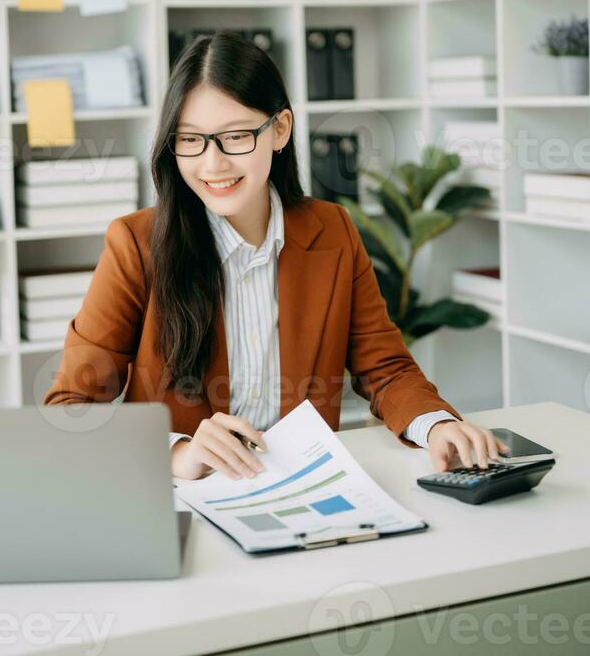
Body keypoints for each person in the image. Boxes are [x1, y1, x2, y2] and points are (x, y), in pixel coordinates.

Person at [44, 30, 509, 480]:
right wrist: (178, 453)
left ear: (280, 129)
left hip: (303, 485)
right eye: (190, 140)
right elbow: (70, 409)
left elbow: (384, 367)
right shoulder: (135, 244)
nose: (213, 164)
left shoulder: (332, 232)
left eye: (235, 136)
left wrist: (436, 424)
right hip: (185, 499)